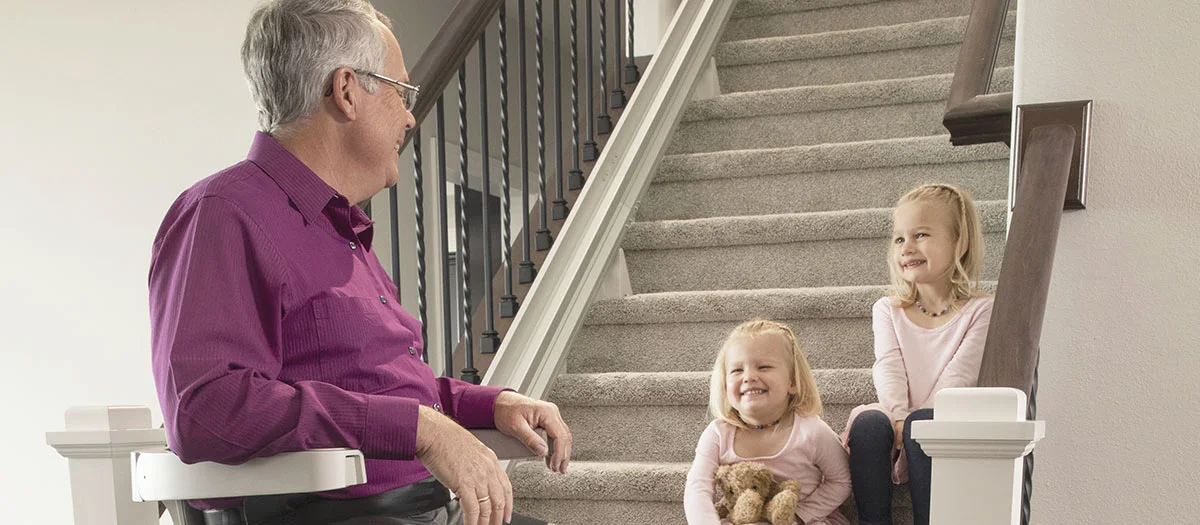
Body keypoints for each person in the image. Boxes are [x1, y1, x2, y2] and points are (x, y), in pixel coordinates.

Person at [147, 2, 571, 524]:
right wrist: (415, 427)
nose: (411, 116)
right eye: (401, 92)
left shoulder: (343, 230)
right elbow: (205, 410)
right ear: (347, 90)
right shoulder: (222, 214)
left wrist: (491, 405)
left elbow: (383, 393)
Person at [843, 183, 994, 525]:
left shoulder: (982, 310)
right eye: (899, 239)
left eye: (921, 234)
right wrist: (897, 418)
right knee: (868, 425)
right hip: (895, 412)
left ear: (960, 241)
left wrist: (911, 423)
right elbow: (888, 366)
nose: (907, 247)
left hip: (944, 417)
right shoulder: (888, 309)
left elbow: (961, 376)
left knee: (923, 425)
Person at [684, 320, 851, 525]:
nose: (749, 377)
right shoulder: (718, 433)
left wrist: (800, 515)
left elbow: (842, 480)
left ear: (792, 382)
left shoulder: (811, 430)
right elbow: (697, 487)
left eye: (763, 367)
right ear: (725, 385)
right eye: (737, 370)